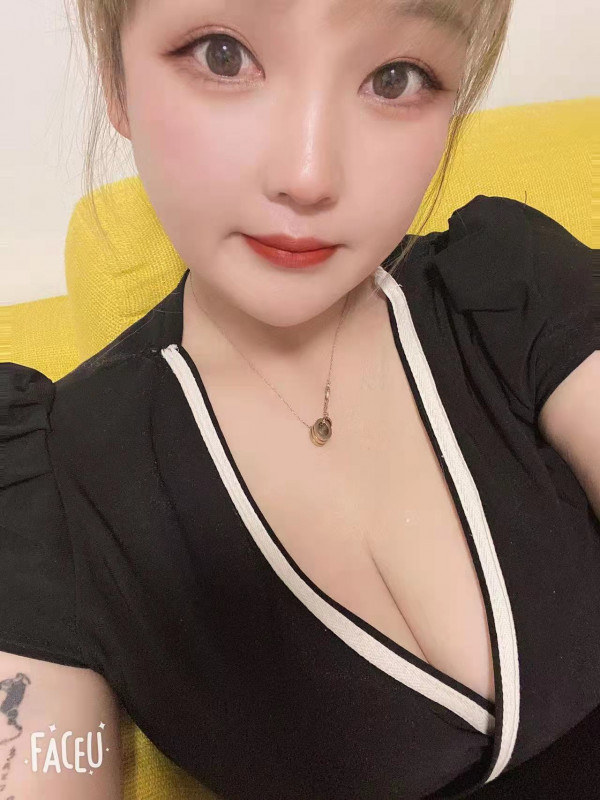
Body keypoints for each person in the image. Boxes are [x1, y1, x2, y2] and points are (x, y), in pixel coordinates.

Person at [1, 0, 599, 797]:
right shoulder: (50, 485)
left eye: (397, 77)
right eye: (221, 55)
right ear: (117, 77)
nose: (309, 176)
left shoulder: (511, 287)